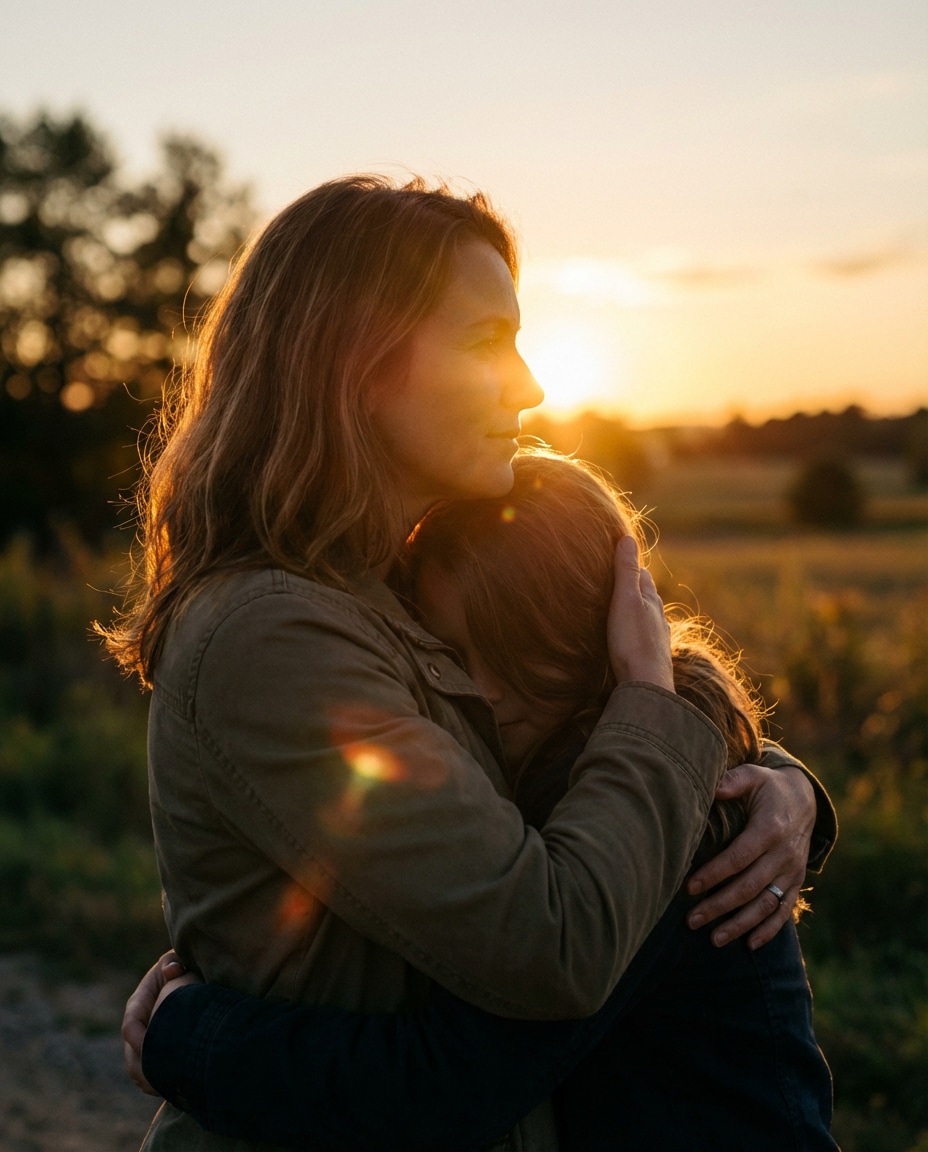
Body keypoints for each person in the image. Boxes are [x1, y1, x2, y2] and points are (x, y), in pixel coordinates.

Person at [105, 175, 833, 1151]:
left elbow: (552, 754)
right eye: (487, 339)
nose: (529, 387)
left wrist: (778, 787)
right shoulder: (274, 635)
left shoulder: (382, 593)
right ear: (357, 361)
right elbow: (553, 943)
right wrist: (663, 708)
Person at [125, 450, 837, 1151]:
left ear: (592, 634)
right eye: (453, 655)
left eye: (513, 649)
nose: (483, 692)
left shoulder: (653, 810)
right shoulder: (583, 769)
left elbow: (448, 1087)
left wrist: (189, 1036)